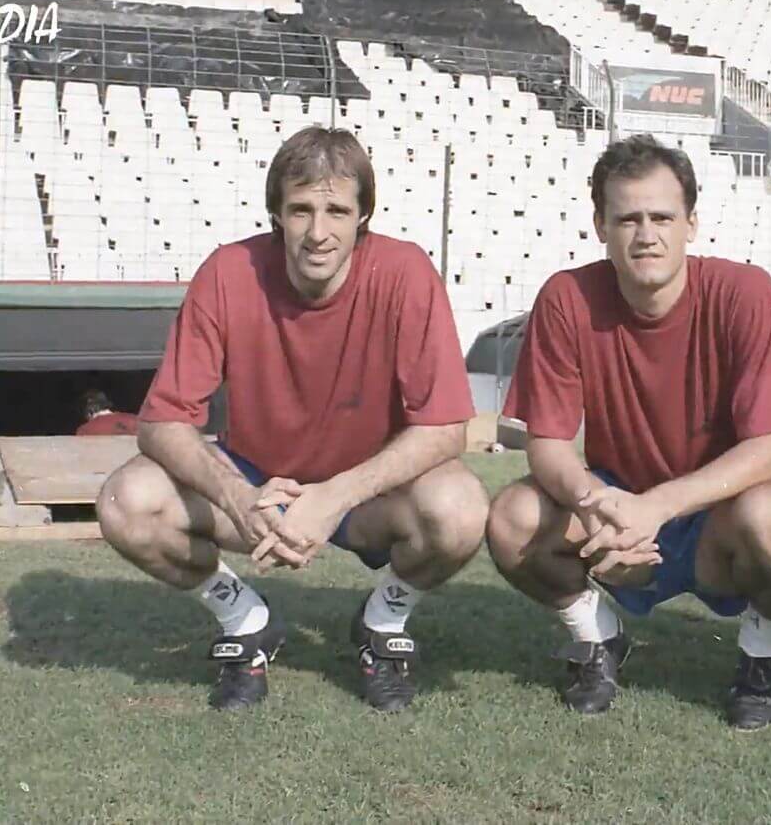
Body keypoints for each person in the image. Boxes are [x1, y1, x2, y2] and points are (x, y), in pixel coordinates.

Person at [96, 127, 489, 713]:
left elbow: (445, 427)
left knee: (460, 509)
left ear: (363, 216)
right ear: (277, 213)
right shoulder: (229, 271)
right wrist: (239, 497)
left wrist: (334, 496)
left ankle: (383, 624)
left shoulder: (405, 272)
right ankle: (245, 620)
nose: (318, 231)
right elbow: (161, 421)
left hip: (365, 493)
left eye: (337, 211)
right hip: (260, 487)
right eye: (301, 209)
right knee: (125, 501)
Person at [485, 135, 771, 731]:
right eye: (627, 219)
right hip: (615, 510)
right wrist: (595, 503)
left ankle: (762, 655)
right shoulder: (567, 297)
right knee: (513, 517)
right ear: (600, 226)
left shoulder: (745, 293)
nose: (646, 235)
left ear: (691, 224)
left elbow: (769, 447)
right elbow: (548, 443)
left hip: (716, 517)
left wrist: (657, 507)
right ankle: (597, 637)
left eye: (662, 217)